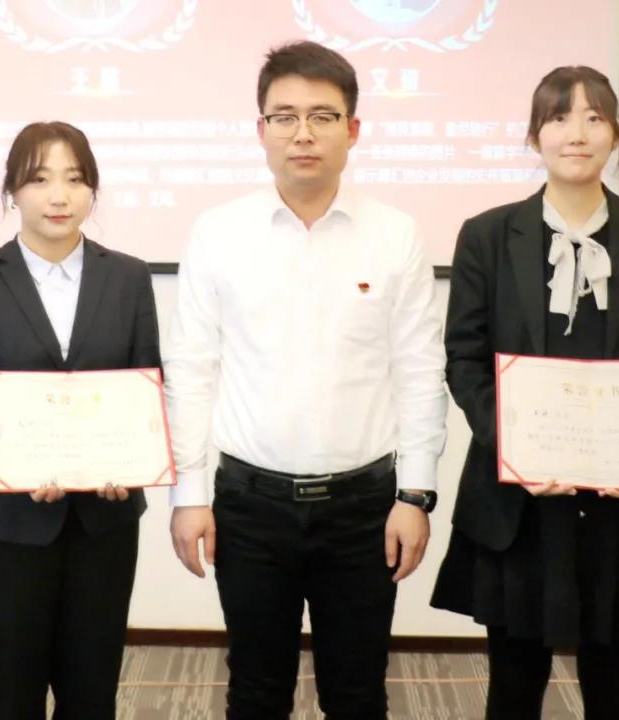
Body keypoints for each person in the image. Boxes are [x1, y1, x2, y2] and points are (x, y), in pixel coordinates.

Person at [163, 40, 448, 719]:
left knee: (358, 692)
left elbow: (419, 370)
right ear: (260, 129)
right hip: (248, 505)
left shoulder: (395, 235)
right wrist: (189, 493)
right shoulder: (218, 233)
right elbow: (192, 370)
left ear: (354, 129)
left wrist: (415, 494)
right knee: (256, 690)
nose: (303, 133)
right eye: (284, 116)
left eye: (323, 116)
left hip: (365, 508)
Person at [430, 65, 619, 720]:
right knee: (513, 690)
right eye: (559, 117)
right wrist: (516, 450)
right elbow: (464, 358)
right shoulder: (488, 234)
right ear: (535, 136)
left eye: (593, 117)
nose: (576, 133)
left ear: (615, 134)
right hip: (520, 506)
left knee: (615, 695)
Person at [0, 121, 159, 720]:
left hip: (104, 524)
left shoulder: (130, 277)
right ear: (12, 190)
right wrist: (19, 465)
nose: (59, 196)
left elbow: (146, 385)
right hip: (7, 526)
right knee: (12, 695)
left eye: (75, 179)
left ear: (93, 190)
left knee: (92, 694)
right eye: (39, 180)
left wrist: (128, 464)